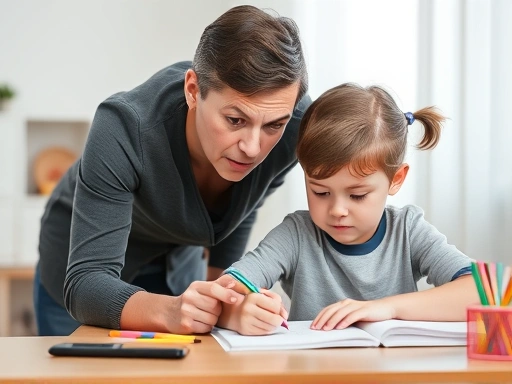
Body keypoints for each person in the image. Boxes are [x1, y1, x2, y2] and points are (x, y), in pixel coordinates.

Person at [34, 5, 311, 336]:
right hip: (83, 266)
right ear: (193, 91)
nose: (253, 147)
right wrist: (180, 308)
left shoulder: (294, 128)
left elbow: (243, 206)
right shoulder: (124, 127)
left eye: (273, 125)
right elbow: (86, 286)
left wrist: (226, 296)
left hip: (176, 268)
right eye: (235, 120)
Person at [216, 83, 480, 336]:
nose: (337, 210)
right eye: (320, 192)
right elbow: (224, 289)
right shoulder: (296, 235)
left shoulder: (408, 231)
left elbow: (485, 293)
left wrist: (388, 308)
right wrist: (237, 313)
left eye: (357, 195)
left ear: (396, 179)